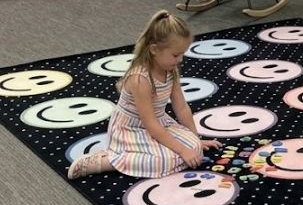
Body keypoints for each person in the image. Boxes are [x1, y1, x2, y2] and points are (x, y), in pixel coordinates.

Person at [67, 10, 222, 180]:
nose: (180, 60)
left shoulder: (171, 70)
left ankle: (165, 152)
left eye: (182, 54)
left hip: (158, 124)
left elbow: (182, 107)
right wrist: (183, 150)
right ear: (154, 49)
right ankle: (105, 161)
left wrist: (196, 139)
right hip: (131, 129)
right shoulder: (140, 79)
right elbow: (149, 123)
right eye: (176, 55)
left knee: (194, 148)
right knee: (166, 161)